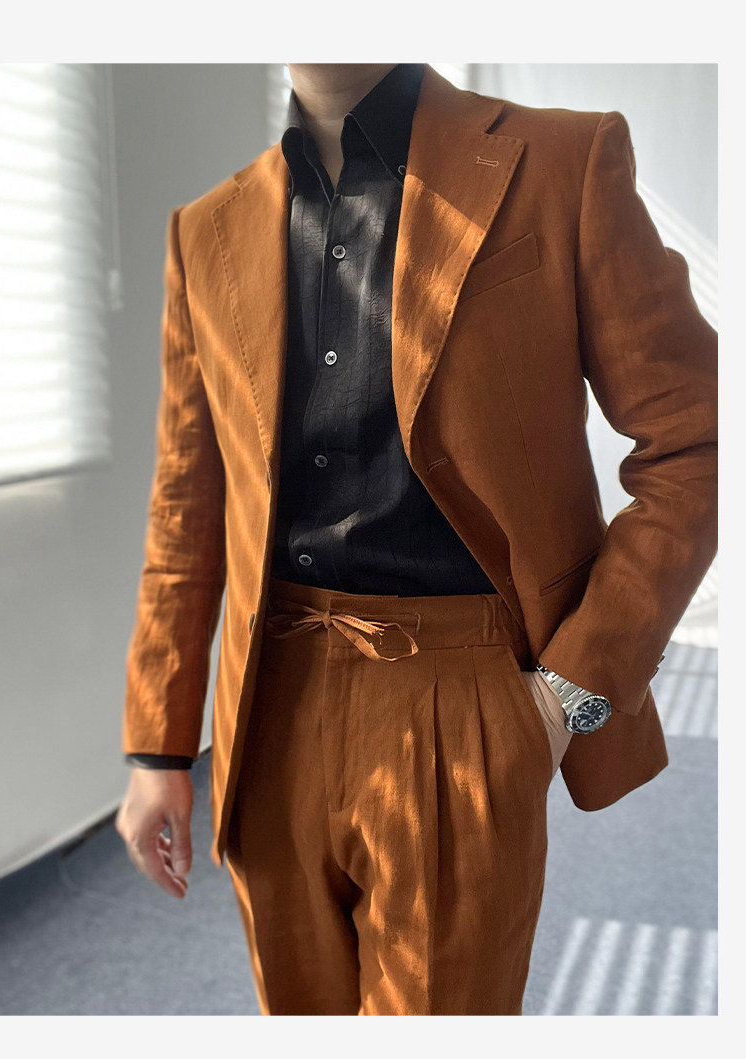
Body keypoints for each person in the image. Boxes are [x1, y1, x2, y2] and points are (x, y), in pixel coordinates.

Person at [115, 63, 718, 1015]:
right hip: (266, 709)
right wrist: (157, 749)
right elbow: (186, 506)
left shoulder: (563, 159)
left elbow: (698, 440)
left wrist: (568, 693)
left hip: (460, 703)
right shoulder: (207, 229)